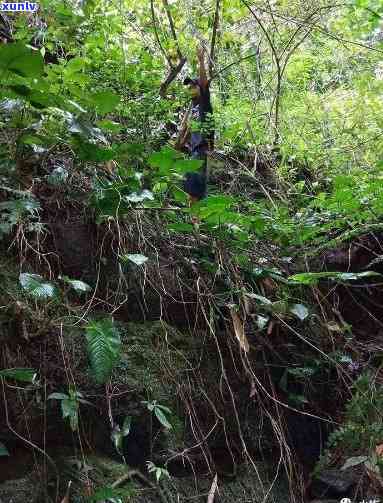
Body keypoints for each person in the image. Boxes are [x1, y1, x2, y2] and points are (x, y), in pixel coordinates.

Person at [177, 46, 214, 204]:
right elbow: (189, 129)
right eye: (189, 87)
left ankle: (194, 221)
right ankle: (193, 219)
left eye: (194, 86)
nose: (191, 89)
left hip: (201, 150)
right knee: (189, 187)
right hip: (192, 151)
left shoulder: (204, 104)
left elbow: (204, 83)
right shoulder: (193, 108)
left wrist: (201, 60)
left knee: (194, 190)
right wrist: (178, 145)